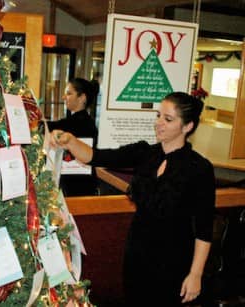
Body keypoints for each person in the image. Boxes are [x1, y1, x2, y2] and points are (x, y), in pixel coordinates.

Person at [50, 92, 216, 306]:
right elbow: (96, 156)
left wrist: (195, 275)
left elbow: (204, 229)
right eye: (158, 116)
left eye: (168, 119)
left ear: (188, 126)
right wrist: (70, 141)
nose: (159, 123)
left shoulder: (199, 168)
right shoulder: (146, 153)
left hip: (174, 259)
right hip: (137, 253)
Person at [47, 77, 98, 196]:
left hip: (77, 185)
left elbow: (52, 126)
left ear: (82, 98)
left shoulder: (80, 122)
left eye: (69, 93)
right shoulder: (82, 120)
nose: (64, 97)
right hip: (79, 182)